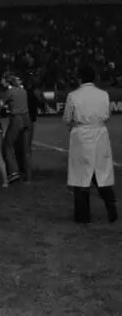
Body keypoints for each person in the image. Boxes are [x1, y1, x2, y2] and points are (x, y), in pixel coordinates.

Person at [63, 65, 117, 224]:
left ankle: (82, 215)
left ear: (79, 78)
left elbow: (67, 118)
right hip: (100, 134)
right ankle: (111, 206)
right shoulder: (103, 94)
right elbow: (107, 115)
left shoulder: (73, 95)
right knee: (101, 172)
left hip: (81, 135)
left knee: (81, 175)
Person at [1, 73, 32, 183]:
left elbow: (0, 104)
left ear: (7, 81)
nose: (1, 82)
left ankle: (14, 172)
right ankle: (28, 175)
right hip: (27, 119)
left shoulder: (9, 91)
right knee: (26, 148)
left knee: (7, 145)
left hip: (17, 119)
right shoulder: (23, 91)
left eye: (3, 80)